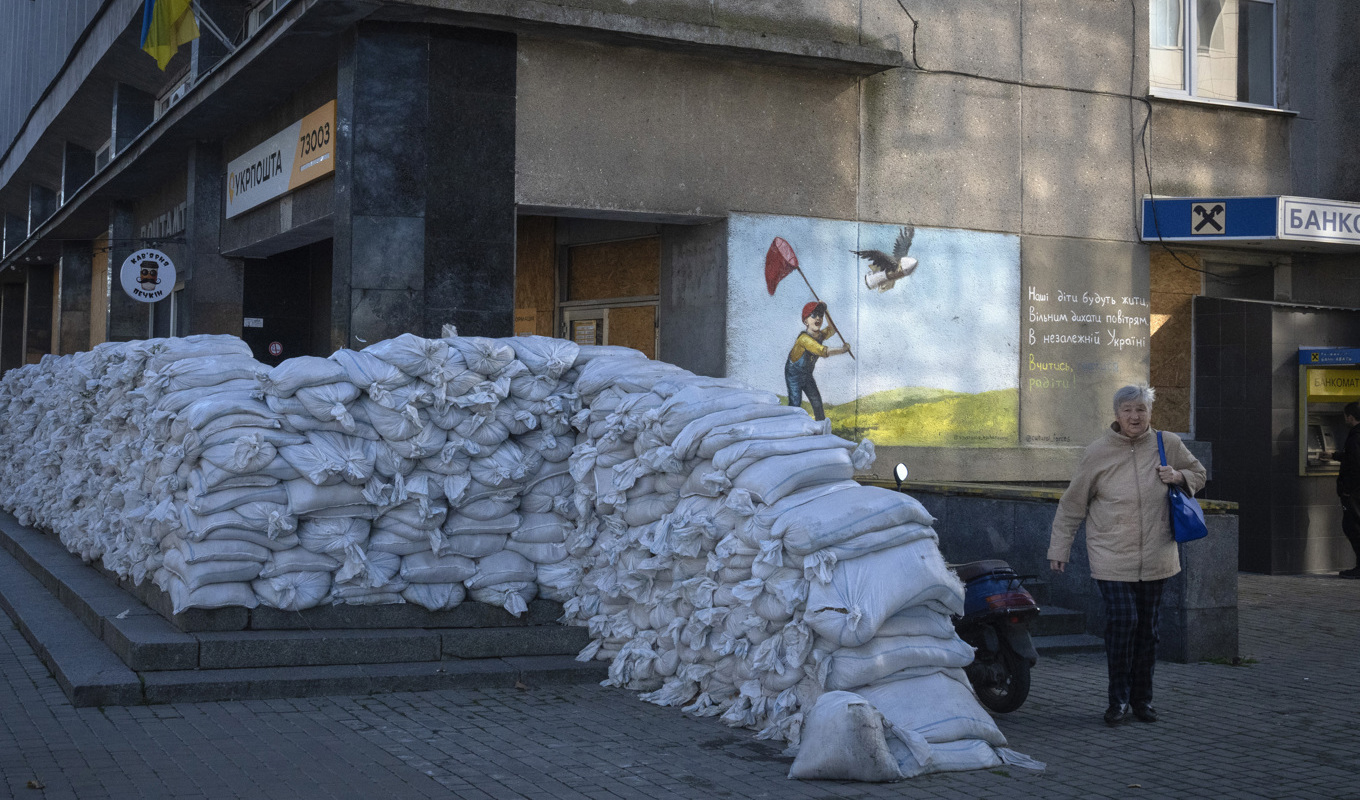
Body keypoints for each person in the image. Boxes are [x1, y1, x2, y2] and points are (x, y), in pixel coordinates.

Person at [1047, 385, 1207, 726]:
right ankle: (1117, 700)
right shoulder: (1097, 452)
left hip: (1157, 554)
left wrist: (1178, 476)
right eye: (1128, 410)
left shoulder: (1168, 443)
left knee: (1148, 629)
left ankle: (1142, 700)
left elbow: (1199, 474)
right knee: (1124, 623)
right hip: (1110, 555)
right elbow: (1072, 505)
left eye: (1141, 410)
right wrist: (1059, 549)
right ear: (1117, 414)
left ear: (1150, 413)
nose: (1135, 417)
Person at [785, 301, 849, 421]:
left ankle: (821, 430)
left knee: (817, 403)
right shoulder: (804, 339)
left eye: (820, 315)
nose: (818, 318)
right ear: (805, 321)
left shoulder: (819, 335)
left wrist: (827, 311)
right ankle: (791, 430)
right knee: (795, 403)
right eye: (813, 315)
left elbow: (832, 329)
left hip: (807, 375)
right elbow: (822, 351)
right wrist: (842, 350)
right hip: (794, 375)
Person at [1333, 402, 1360, 579]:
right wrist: (1334, 455)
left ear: (1350, 417)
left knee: (1352, 527)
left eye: (1345, 416)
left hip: (1354, 492)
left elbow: (1355, 462)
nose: (1345, 419)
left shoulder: (1355, 436)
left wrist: (1348, 490)